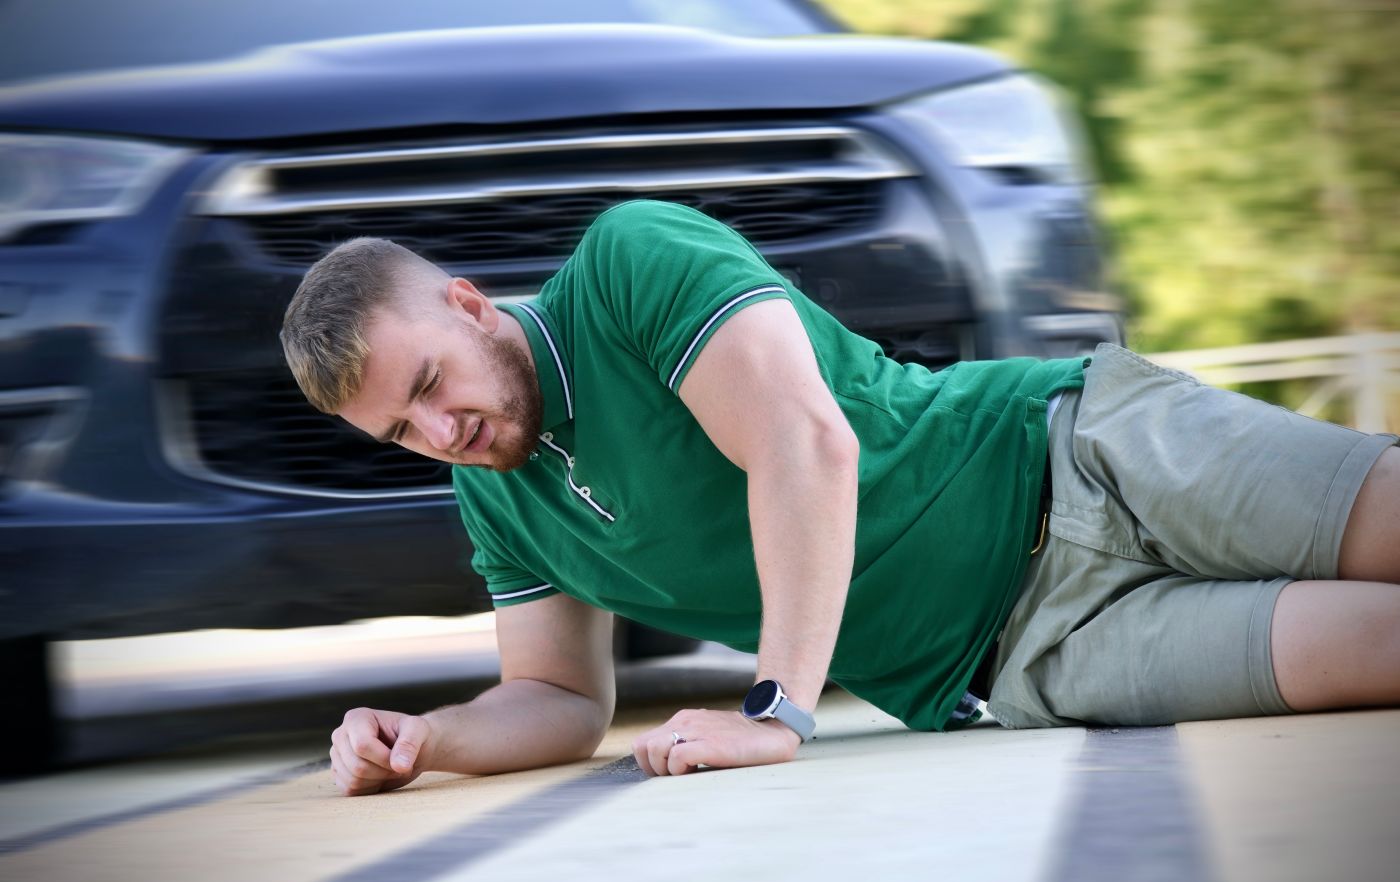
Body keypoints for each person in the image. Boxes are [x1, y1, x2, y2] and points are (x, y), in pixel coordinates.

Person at [280, 200, 1399, 797]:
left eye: (429, 386)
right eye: (401, 433)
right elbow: (559, 697)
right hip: (1038, 656)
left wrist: (775, 711)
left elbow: (803, 443)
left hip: (1075, 450)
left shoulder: (627, 263)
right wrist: (429, 738)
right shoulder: (495, 498)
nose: (442, 434)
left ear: (469, 305)